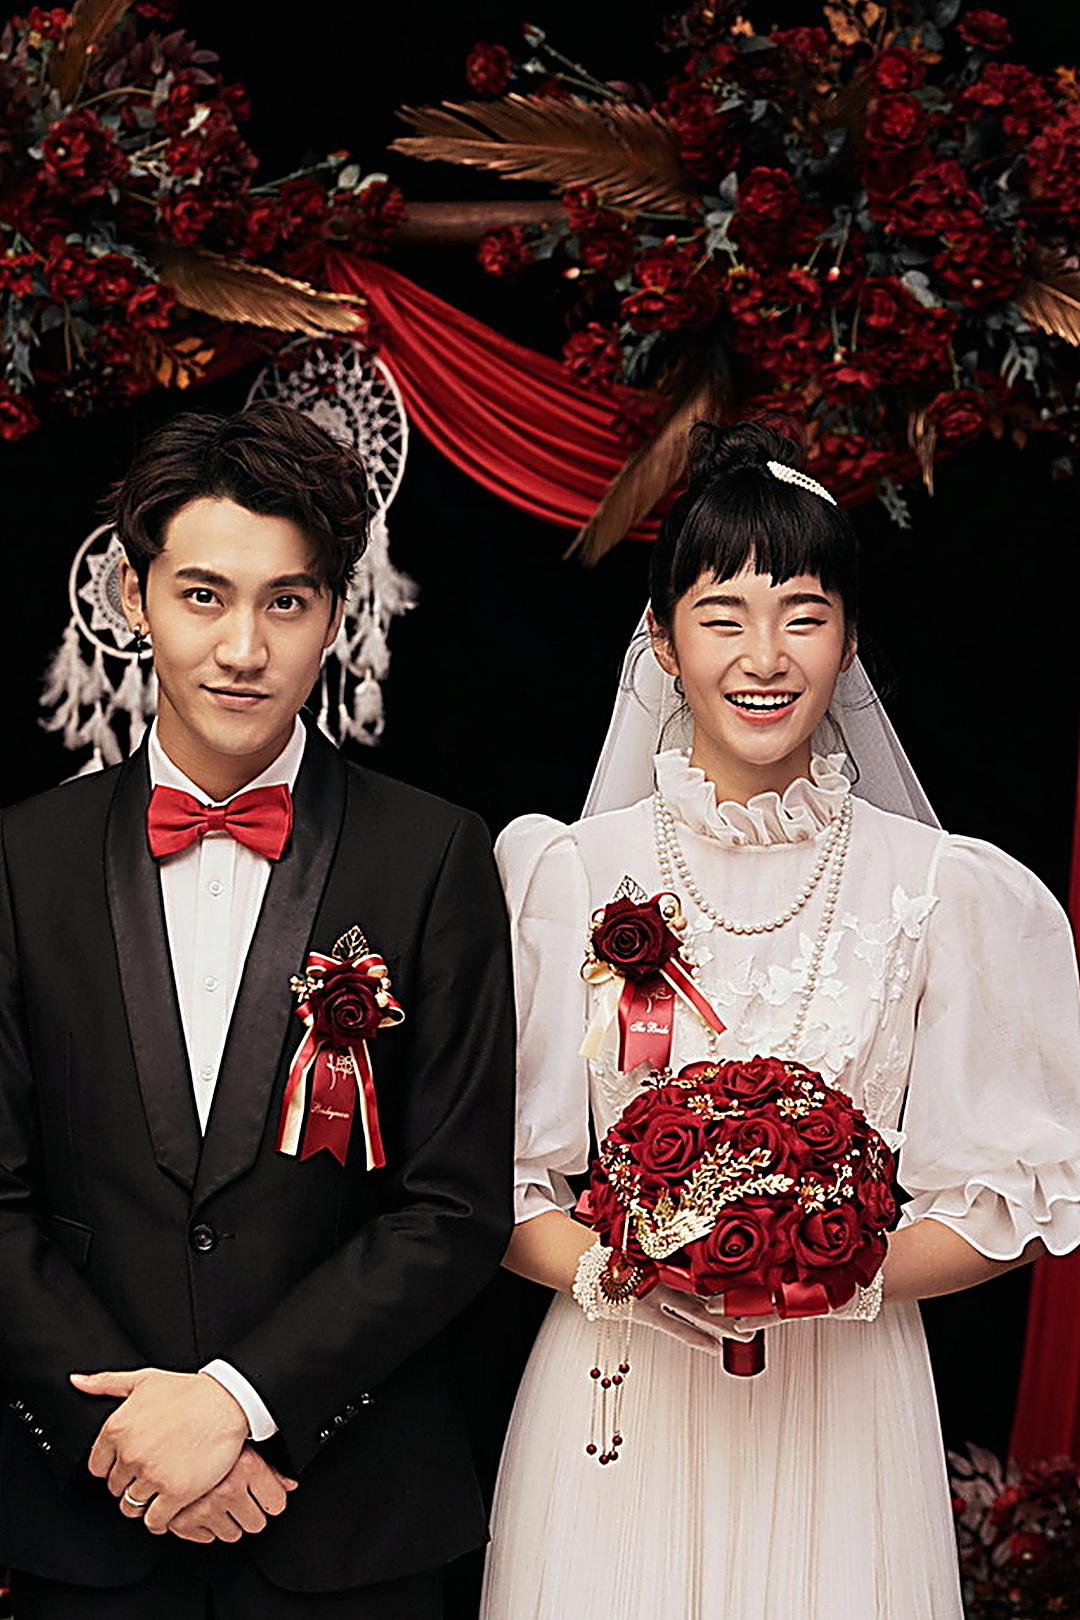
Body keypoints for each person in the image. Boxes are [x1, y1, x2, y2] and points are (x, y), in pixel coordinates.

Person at [479, 419, 1080, 1620]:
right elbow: (496, 1184)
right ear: (663, 640)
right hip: (620, 1390)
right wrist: (628, 1272)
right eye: (723, 616)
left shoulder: (944, 886)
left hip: (844, 1397)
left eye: (804, 615)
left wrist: (829, 1277)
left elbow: (1015, 1198)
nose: (765, 656)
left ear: (848, 642)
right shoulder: (566, 875)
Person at [0, 402, 515, 1618]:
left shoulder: (435, 855)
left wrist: (240, 1403)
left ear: (335, 613)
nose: (244, 647)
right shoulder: (21, 861)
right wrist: (132, 1440)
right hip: (91, 1521)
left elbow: (454, 1205)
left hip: (350, 1515)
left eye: (286, 602)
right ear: (134, 596)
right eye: (204, 596)